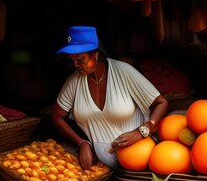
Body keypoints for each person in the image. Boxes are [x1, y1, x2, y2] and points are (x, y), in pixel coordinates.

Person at [51, 26, 169, 169]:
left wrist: (141, 131)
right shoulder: (75, 81)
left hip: (139, 161)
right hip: (104, 168)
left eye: (80, 58)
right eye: (72, 60)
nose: (76, 64)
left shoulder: (123, 72)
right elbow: (56, 115)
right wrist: (82, 142)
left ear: (95, 54)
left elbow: (161, 103)